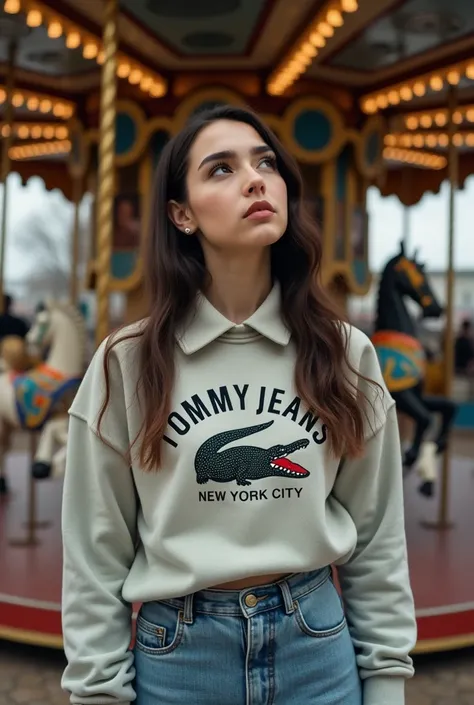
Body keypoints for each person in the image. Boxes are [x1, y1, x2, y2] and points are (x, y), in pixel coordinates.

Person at [61, 105, 416, 705]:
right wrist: (97, 692)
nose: (255, 179)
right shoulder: (126, 362)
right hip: (179, 654)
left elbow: (378, 539)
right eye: (220, 169)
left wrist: (385, 683)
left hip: (316, 645)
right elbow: (95, 554)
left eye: (265, 163)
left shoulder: (344, 353)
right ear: (181, 213)